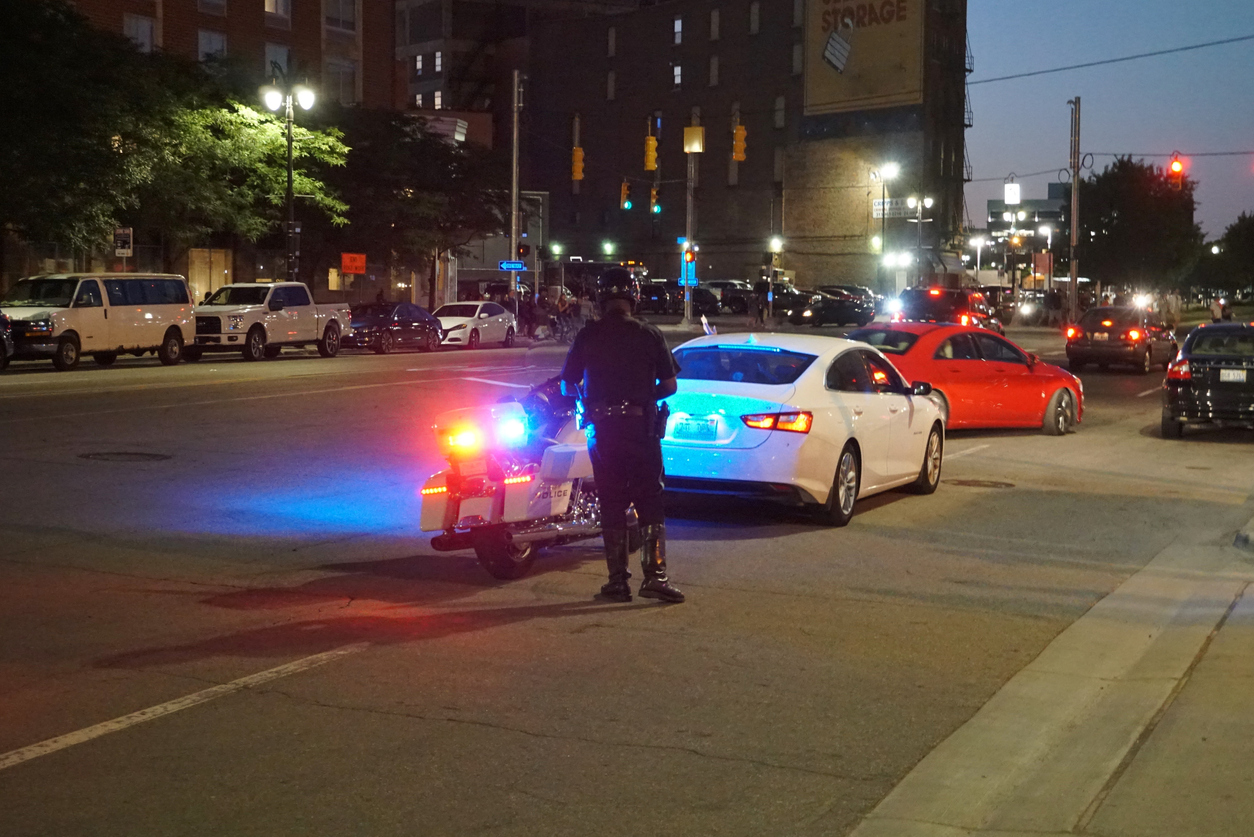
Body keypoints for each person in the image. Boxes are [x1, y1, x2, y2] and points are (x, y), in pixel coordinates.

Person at [560, 267, 684, 604]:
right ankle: (655, 577)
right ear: (634, 296)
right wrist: (644, 394)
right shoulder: (649, 334)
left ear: (601, 299)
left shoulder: (588, 336)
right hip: (641, 430)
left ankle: (617, 582)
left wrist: (590, 399)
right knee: (649, 500)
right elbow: (670, 385)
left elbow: (566, 381)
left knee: (611, 501)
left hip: (603, 432)